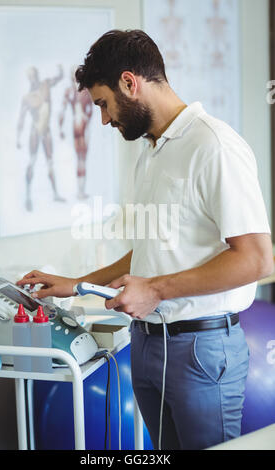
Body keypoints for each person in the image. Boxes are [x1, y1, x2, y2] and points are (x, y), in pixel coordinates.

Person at [17, 30, 274, 450]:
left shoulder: (214, 145)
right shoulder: (153, 150)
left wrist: (154, 290)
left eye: (103, 103)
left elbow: (257, 259)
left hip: (201, 351)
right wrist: (76, 282)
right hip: (147, 342)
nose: (103, 119)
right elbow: (155, 250)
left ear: (130, 83)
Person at [17, 65, 65, 211]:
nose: (32, 78)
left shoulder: (45, 85)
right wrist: (18, 138)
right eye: (30, 76)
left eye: (33, 75)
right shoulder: (27, 98)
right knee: (32, 161)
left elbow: (57, 79)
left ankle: (55, 193)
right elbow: (21, 118)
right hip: (35, 131)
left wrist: (61, 71)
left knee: (50, 161)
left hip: (46, 130)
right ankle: (28, 196)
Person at [59, 69, 93, 199]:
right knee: (82, 158)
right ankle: (80, 191)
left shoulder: (70, 92)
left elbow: (62, 111)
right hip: (82, 123)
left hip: (75, 123)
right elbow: (89, 111)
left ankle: (80, 191)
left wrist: (61, 128)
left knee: (80, 158)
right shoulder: (85, 92)